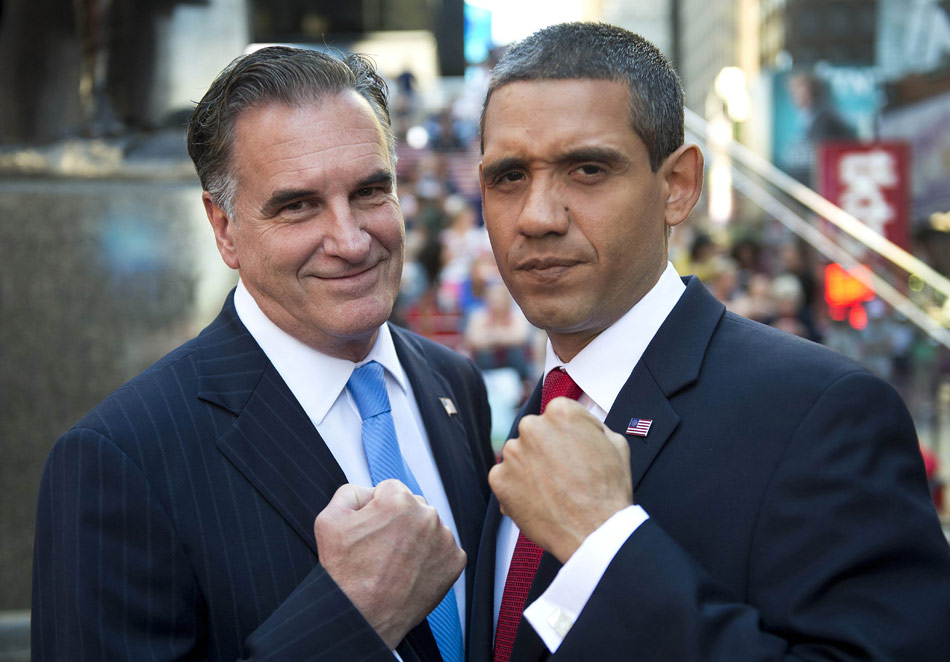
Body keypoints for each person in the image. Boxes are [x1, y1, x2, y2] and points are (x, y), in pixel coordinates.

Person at [468, 22, 950, 661]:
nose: (536, 216)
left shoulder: (823, 413)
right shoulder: (526, 418)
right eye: (508, 177)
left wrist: (606, 549)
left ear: (677, 186)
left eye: (587, 169)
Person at [32, 46, 495, 662]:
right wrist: (348, 618)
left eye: (369, 192)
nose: (351, 240)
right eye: (298, 205)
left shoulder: (453, 383)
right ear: (224, 228)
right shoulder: (119, 459)